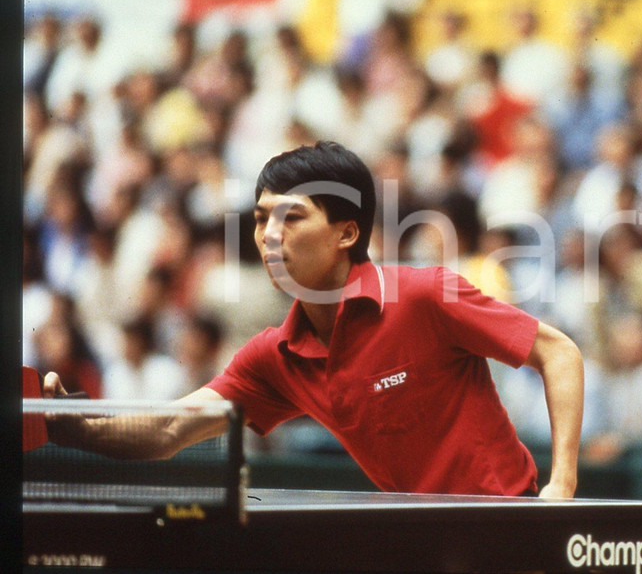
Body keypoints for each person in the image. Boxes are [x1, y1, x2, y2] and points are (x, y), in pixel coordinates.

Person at [42, 141, 584, 499]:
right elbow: (170, 427)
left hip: (510, 534)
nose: (268, 236)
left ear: (347, 233)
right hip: (417, 546)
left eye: (291, 218)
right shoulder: (274, 358)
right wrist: (84, 431)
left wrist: (561, 485)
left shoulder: (424, 294)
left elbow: (558, 352)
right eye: (260, 221)